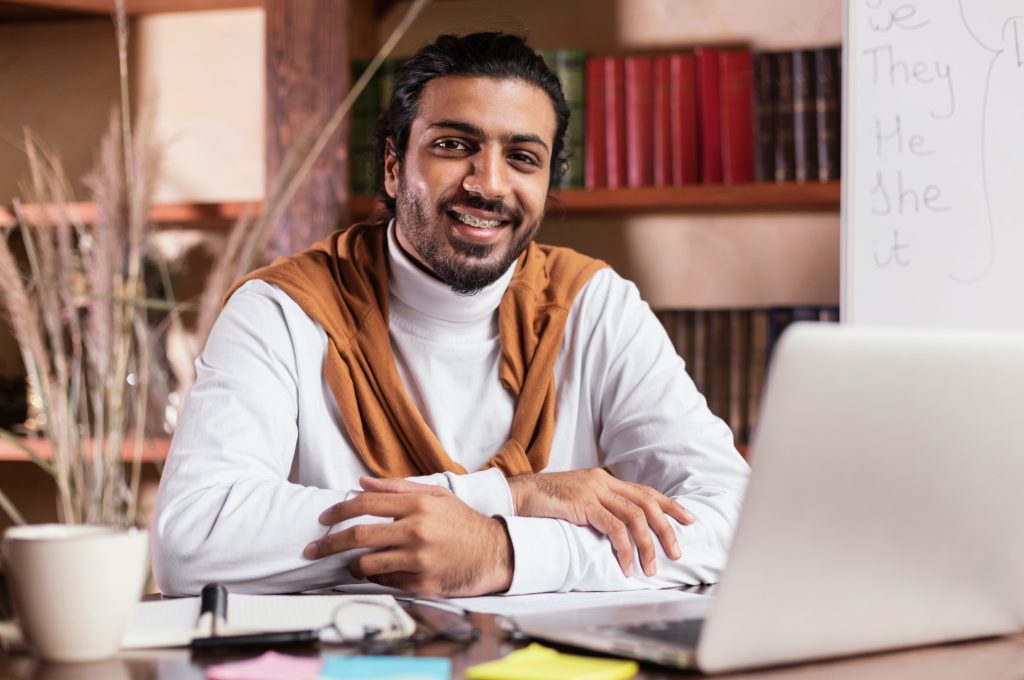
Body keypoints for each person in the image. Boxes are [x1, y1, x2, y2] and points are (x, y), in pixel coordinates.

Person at [152, 32, 749, 598]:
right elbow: (194, 540)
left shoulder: (594, 304)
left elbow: (736, 517)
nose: (488, 184)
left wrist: (502, 553)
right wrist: (510, 497)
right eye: (454, 145)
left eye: (521, 157)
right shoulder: (281, 310)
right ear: (392, 165)